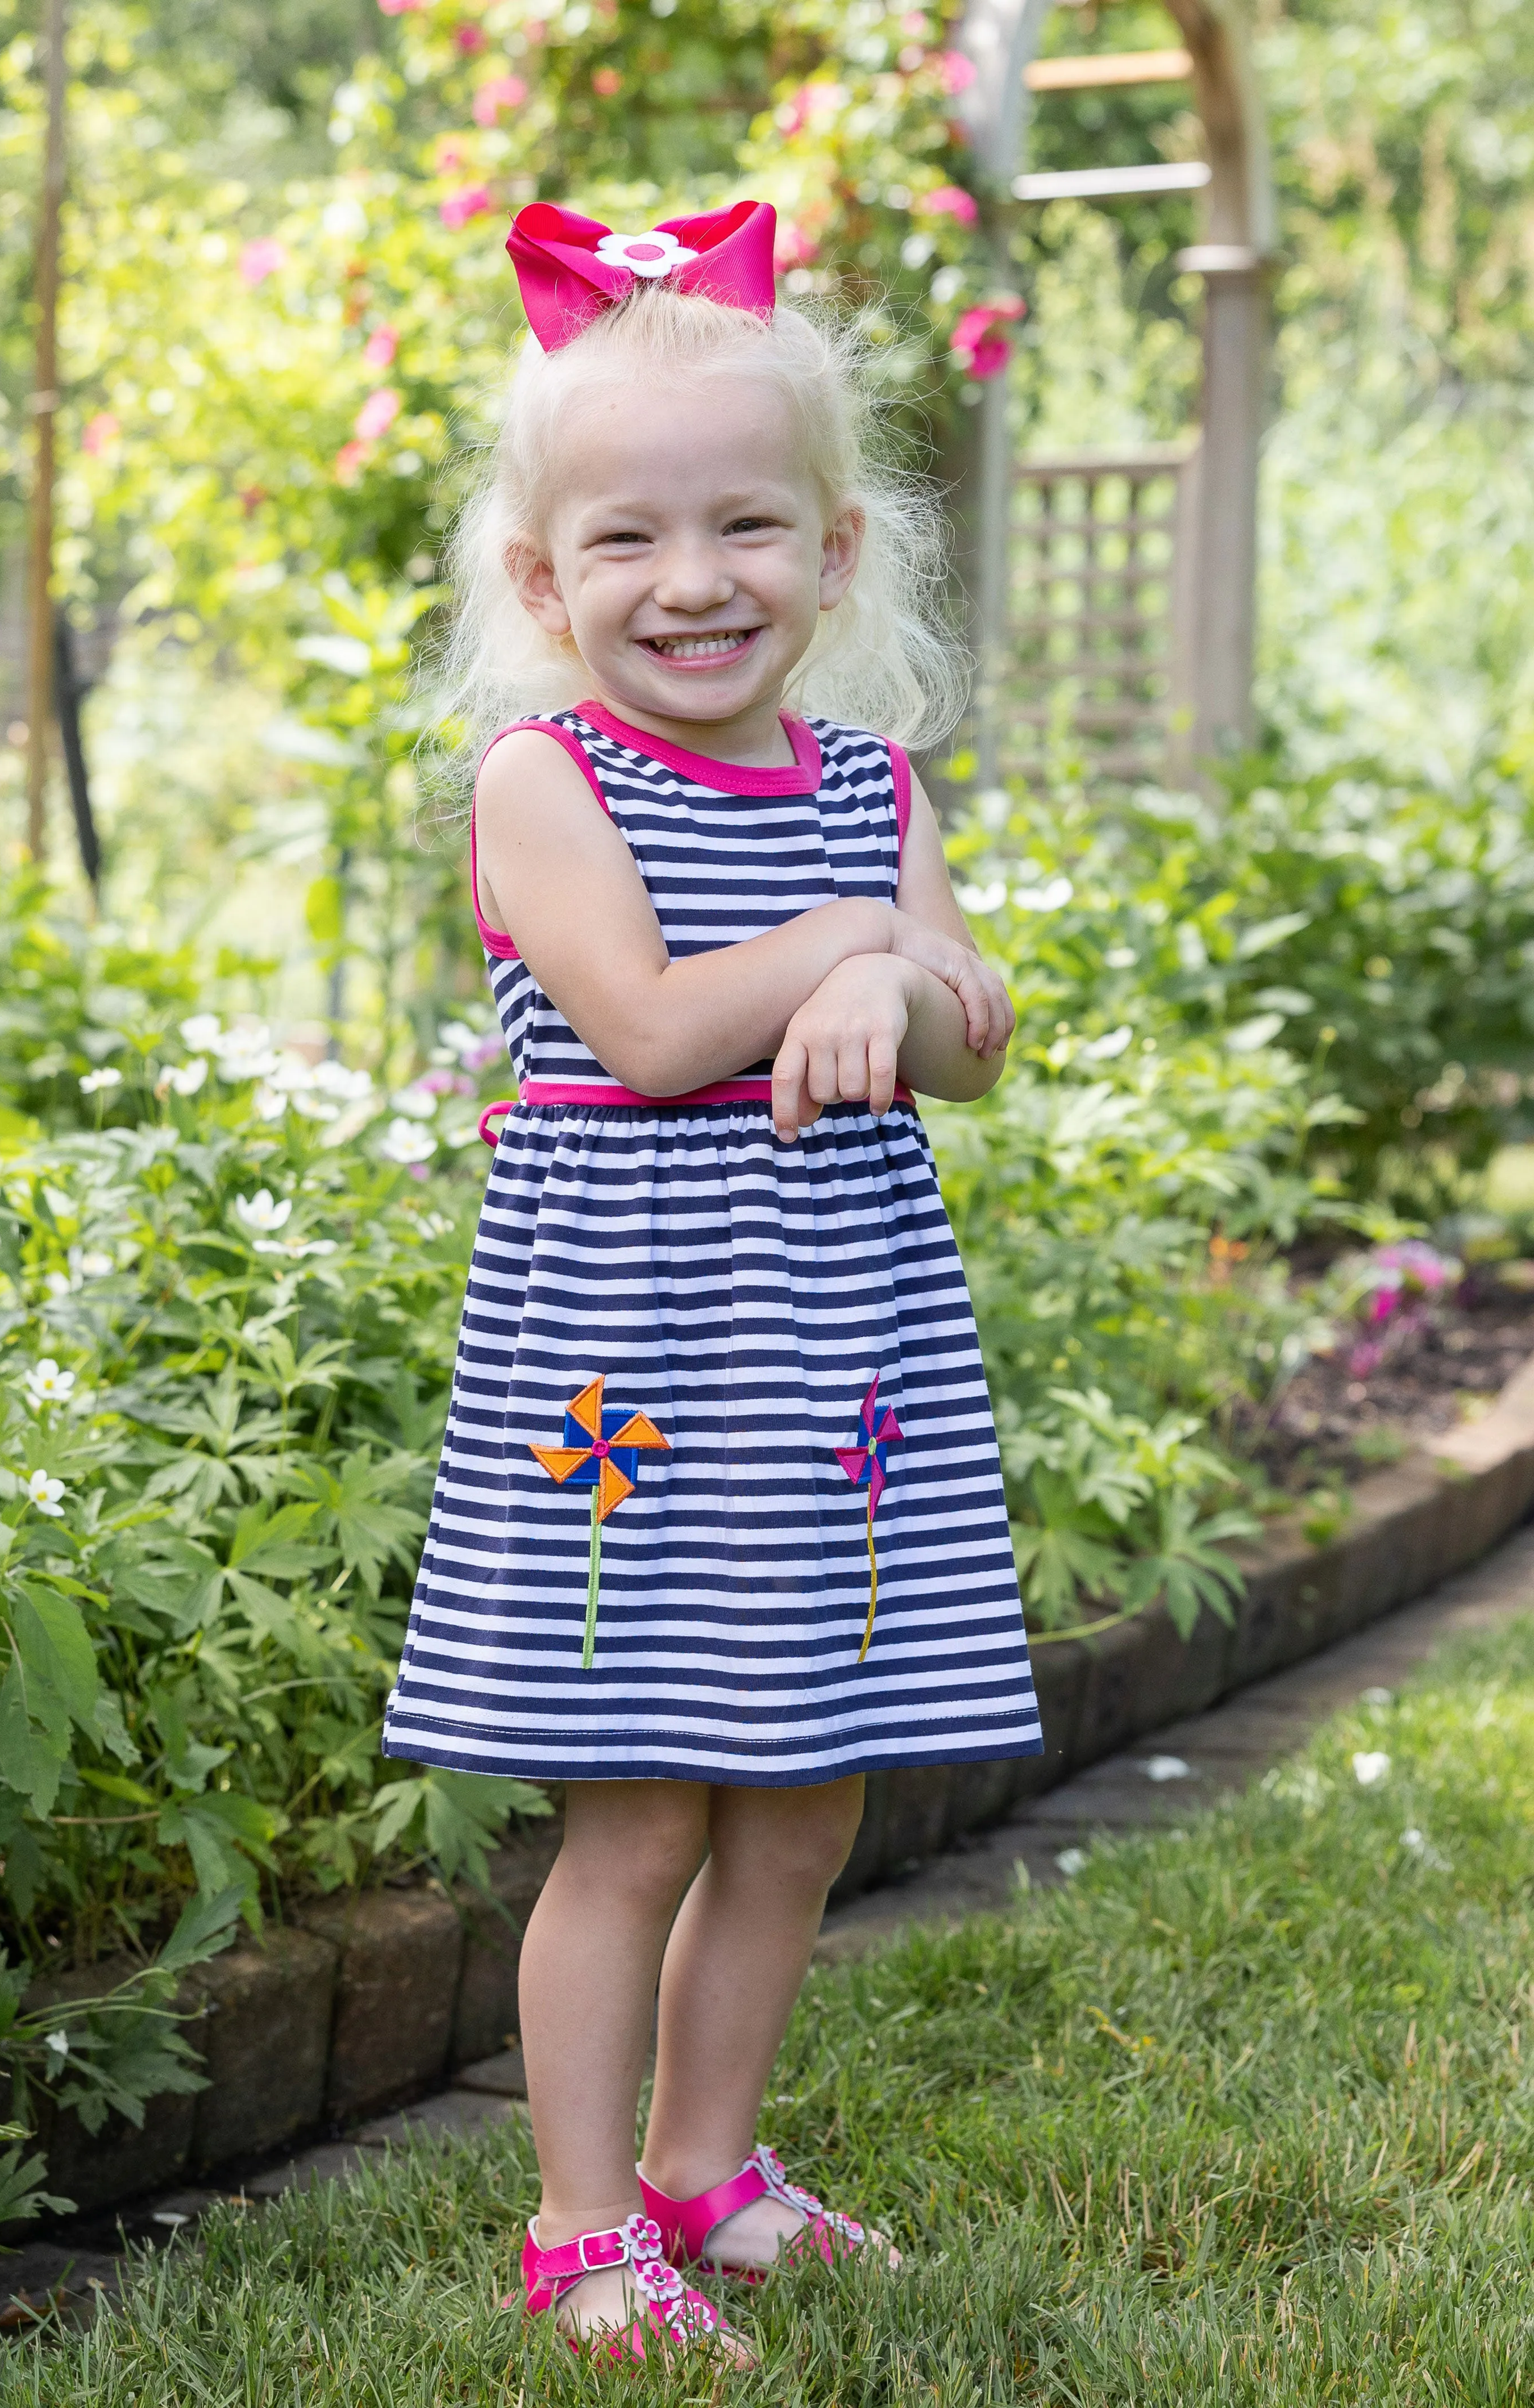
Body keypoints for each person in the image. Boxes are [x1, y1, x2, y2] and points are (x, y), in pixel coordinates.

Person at [381, 198, 1042, 2368]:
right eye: (631, 542)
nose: (693, 582)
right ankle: (584, 2225)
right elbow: (660, 1035)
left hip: (830, 1352)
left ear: (837, 556)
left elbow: (969, 1042)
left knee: (803, 1794)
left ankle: (708, 2171)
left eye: (748, 526)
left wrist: (904, 965)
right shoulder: (540, 779)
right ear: (541, 580)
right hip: (641, 1365)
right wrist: (855, 947)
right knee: (645, 1801)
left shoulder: (868, 780)